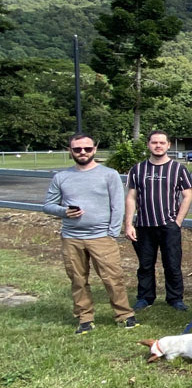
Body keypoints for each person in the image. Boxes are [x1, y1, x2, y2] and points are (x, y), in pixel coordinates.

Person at [43, 133, 136, 333]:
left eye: (86, 148)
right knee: (78, 279)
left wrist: (112, 232)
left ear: (94, 149)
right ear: (70, 151)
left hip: (101, 237)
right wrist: (64, 211)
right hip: (72, 237)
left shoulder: (109, 174)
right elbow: (48, 205)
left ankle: (124, 315)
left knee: (113, 278)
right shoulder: (61, 177)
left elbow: (117, 205)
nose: (82, 152)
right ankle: (85, 318)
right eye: (77, 149)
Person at [124, 130, 192, 311]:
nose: (158, 146)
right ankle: (145, 297)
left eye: (162, 143)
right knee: (145, 265)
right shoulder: (137, 169)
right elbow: (131, 197)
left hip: (169, 225)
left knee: (172, 263)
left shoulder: (178, 169)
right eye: (154, 142)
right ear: (148, 144)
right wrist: (129, 223)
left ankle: (175, 298)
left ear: (168, 145)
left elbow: (188, 195)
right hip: (144, 225)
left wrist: (178, 221)